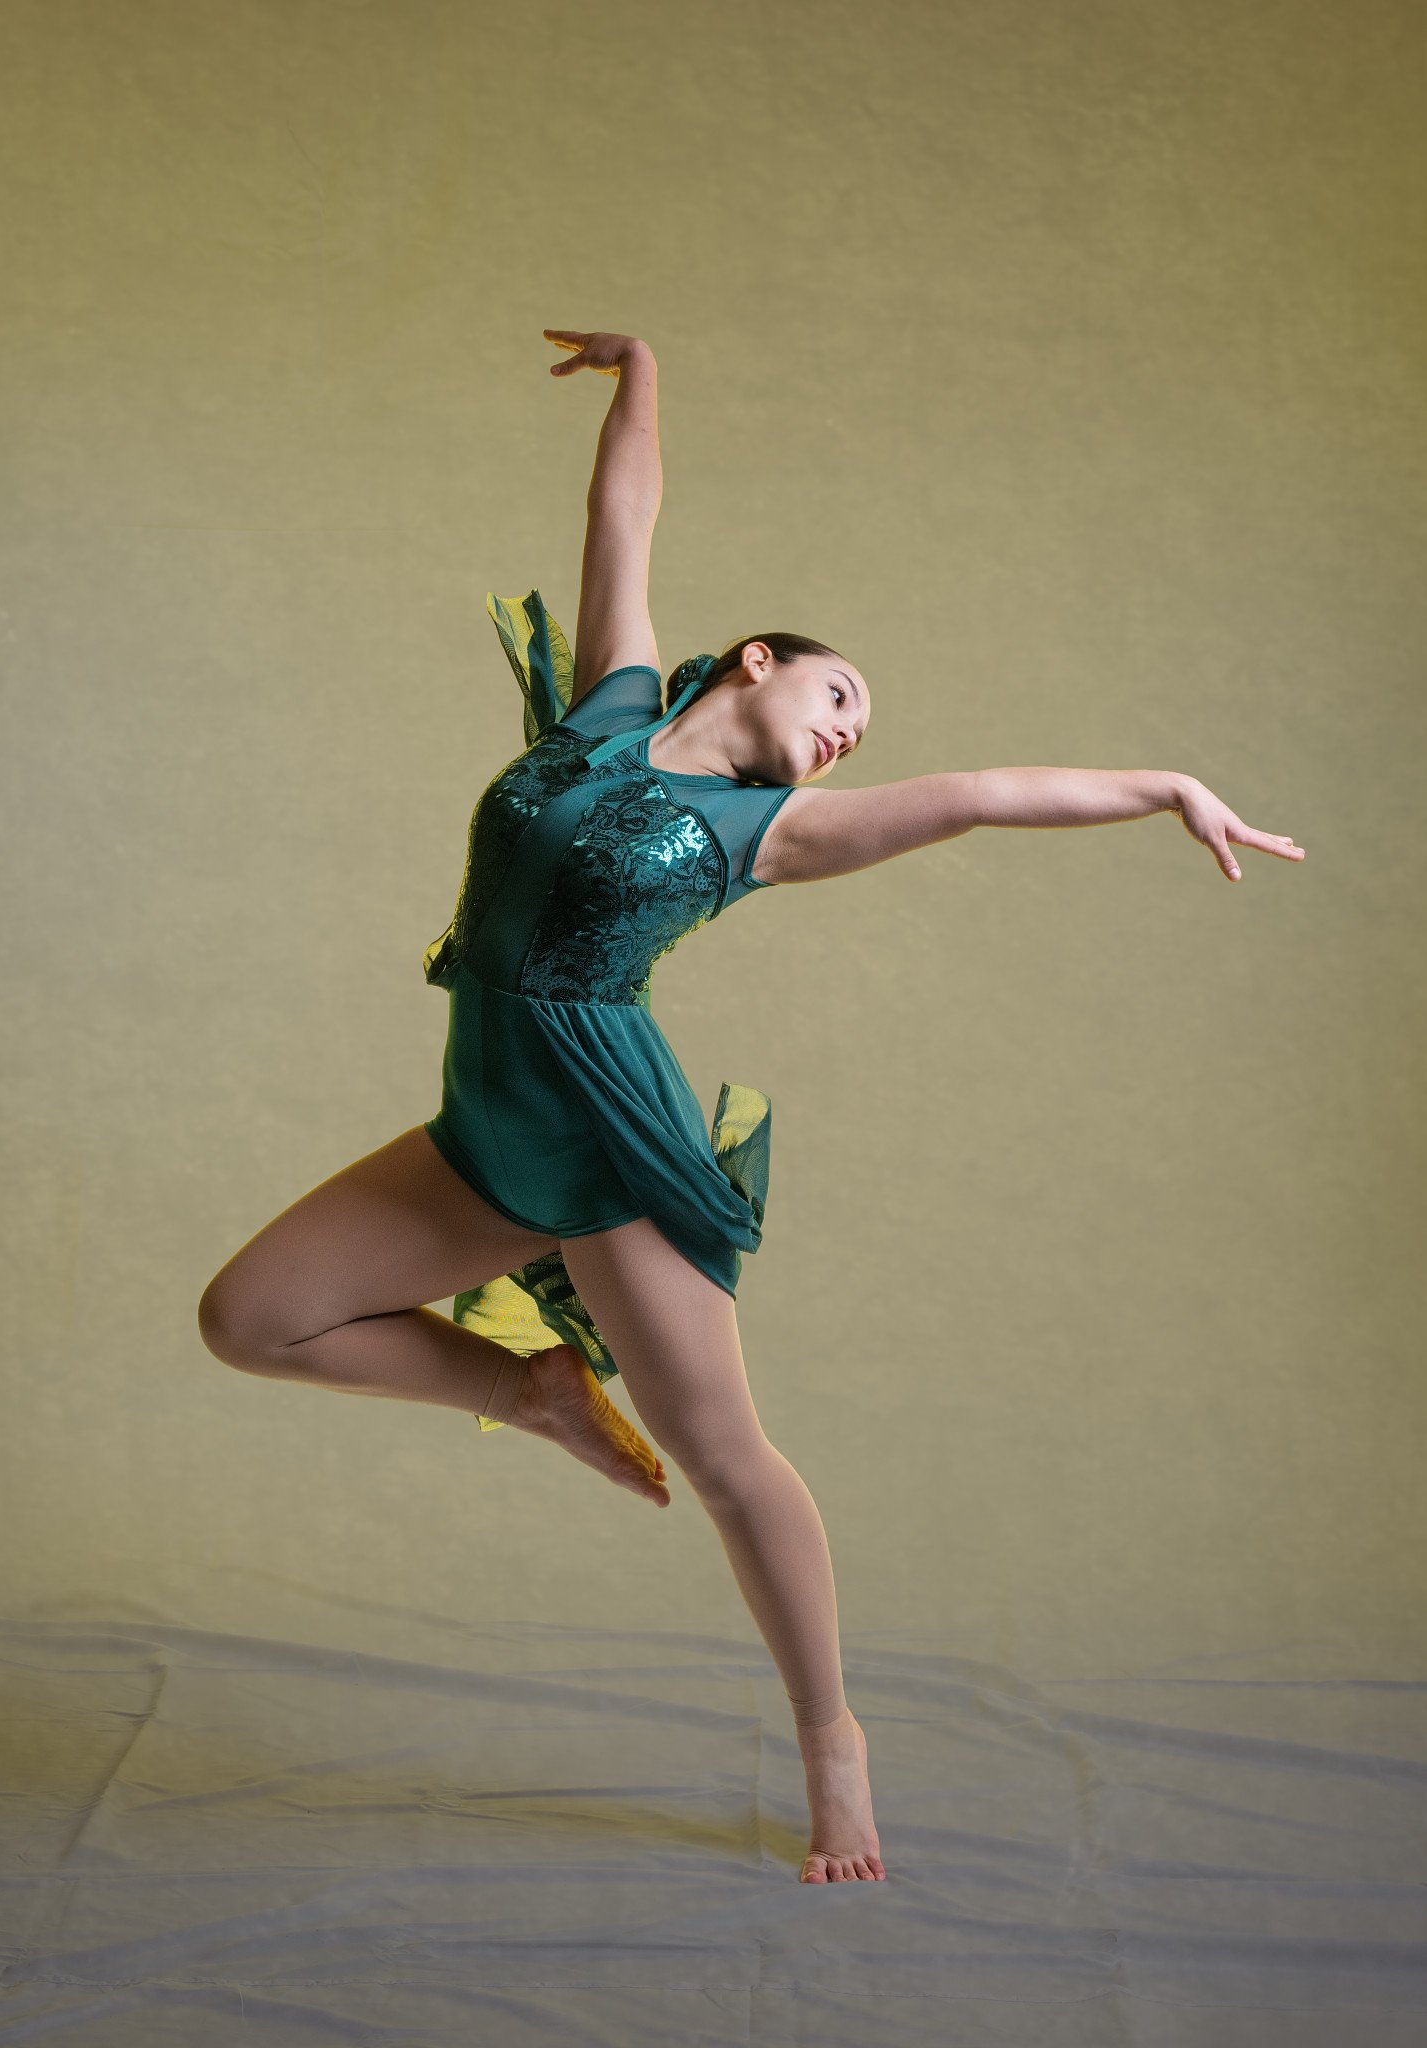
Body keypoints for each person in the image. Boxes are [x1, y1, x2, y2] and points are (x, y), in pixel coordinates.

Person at [197, 329, 1306, 1885]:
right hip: (483, 1122)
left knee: (724, 1459)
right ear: (754, 660)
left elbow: (977, 796)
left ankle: (832, 1744)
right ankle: (529, 1392)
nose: (849, 732)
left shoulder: (764, 830)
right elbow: (624, 518)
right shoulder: (603, 711)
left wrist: (1165, 786)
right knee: (250, 1318)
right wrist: (640, 374)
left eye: (862, 733)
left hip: (606, 1145)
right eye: (840, 693)